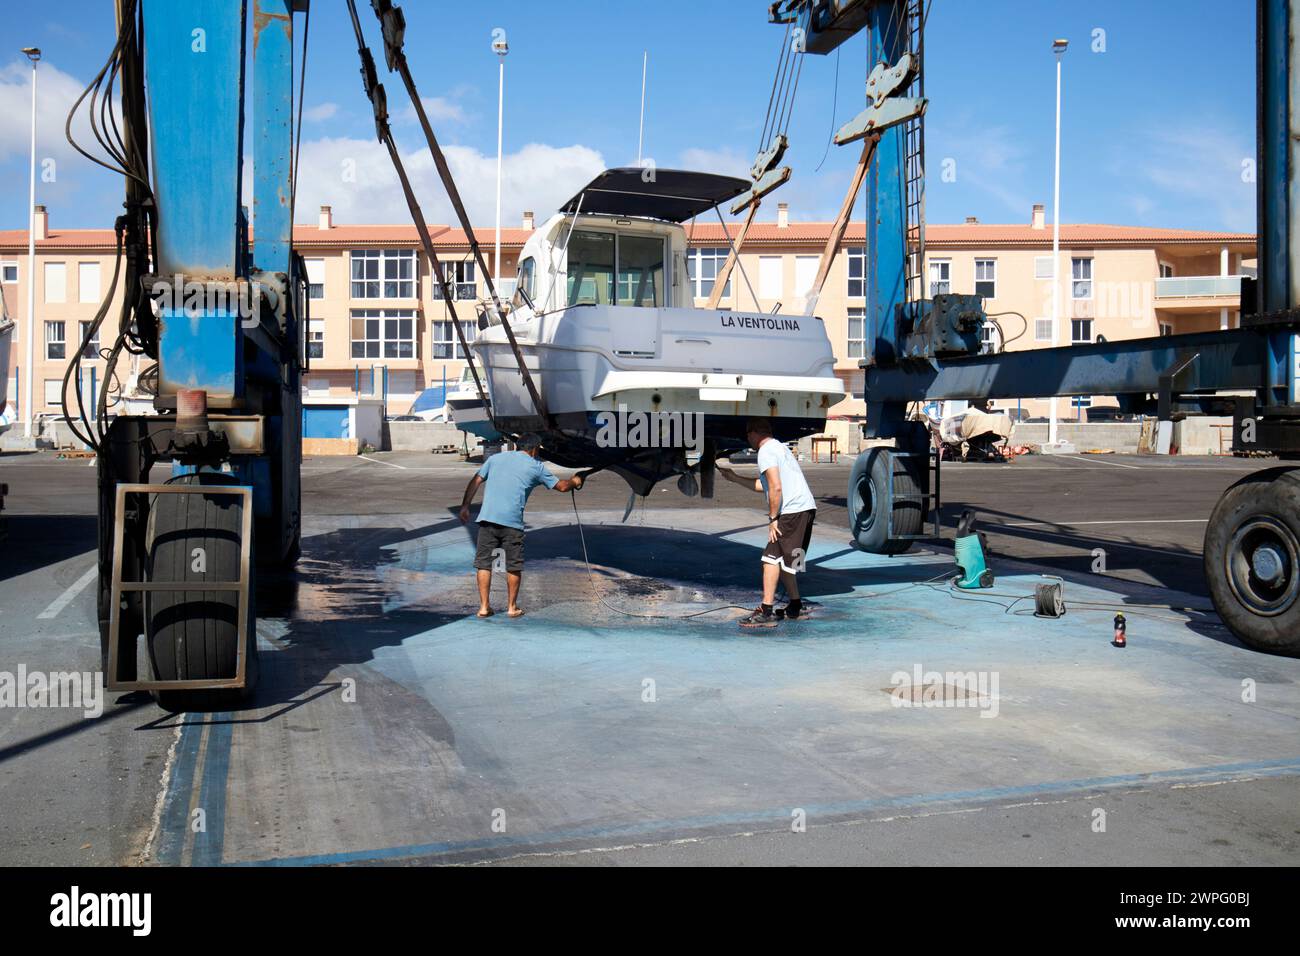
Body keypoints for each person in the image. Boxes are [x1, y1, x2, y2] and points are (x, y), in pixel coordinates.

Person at [458, 434, 583, 618]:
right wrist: (575, 481)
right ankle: (511, 607)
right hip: (512, 523)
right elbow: (562, 486)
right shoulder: (536, 467)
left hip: (487, 518)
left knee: (484, 564)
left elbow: (476, 480)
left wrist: (465, 506)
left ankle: (484, 607)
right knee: (513, 565)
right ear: (534, 449)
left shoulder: (495, 459)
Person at [716, 418, 817, 628]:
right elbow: (765, 486)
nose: (747, 439)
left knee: (769, 559)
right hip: (805, 509)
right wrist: (734, 477)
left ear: (754, 433)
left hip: (791, 511)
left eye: (747, 434)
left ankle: (767, 610)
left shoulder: (765, 451)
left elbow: (776, 487)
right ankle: (795, 606)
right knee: (789, 562)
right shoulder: (780, 448)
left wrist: (773, 519)